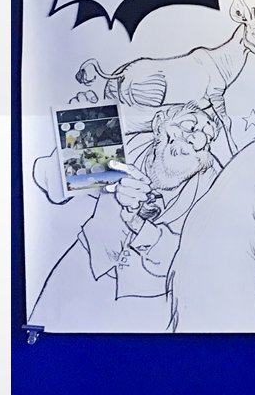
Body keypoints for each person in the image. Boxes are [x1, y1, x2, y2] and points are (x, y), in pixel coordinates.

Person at [29, 103, 223, 331]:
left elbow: (195, 259)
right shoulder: (127, 145)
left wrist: (137, 223)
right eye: (188, 126)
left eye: (205, 137)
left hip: (150, 297)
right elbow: (48, 179)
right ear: (159, 125)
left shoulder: (213, 183)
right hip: (85, 265)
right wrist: (111, 127)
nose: (193, 138)